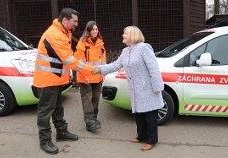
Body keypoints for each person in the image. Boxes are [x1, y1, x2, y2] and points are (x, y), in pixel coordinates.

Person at [92, 26, 164, 151]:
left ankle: (152, 140)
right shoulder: (126, 51)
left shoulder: (144, 48)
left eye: (125, 33)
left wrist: (157, 87)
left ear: (133, 35)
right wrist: (100, 69)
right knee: (139, 114)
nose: (123, 36)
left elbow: (154, 69)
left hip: (148, 88)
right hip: (135, 90)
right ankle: (141, 136)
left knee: (150, 115)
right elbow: (116, 65)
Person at [33, 8, 93, 154]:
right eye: (75, 21)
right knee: (46, 111)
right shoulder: (55, 35)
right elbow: (70, 60)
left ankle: (61, 132)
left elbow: (65, 59)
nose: (77, 24)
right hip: (47, 80)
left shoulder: (64, 32)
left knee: (58, 107)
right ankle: (45, 140)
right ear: (65, 20)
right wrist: (91, 70)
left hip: (55, 79)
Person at [74, 21, 106, 132]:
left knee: (96, 98)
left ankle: (93, 119)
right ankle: (89, 121)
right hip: (85, 78)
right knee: (87, 100)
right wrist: (84, 75)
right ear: (88, 30)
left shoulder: (100, 43)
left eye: (96, 29)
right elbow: (79, 63)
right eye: (92, 29)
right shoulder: (82, 43)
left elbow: (103, 60)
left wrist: (103, 73)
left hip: (97, 77)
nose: (95, 31)